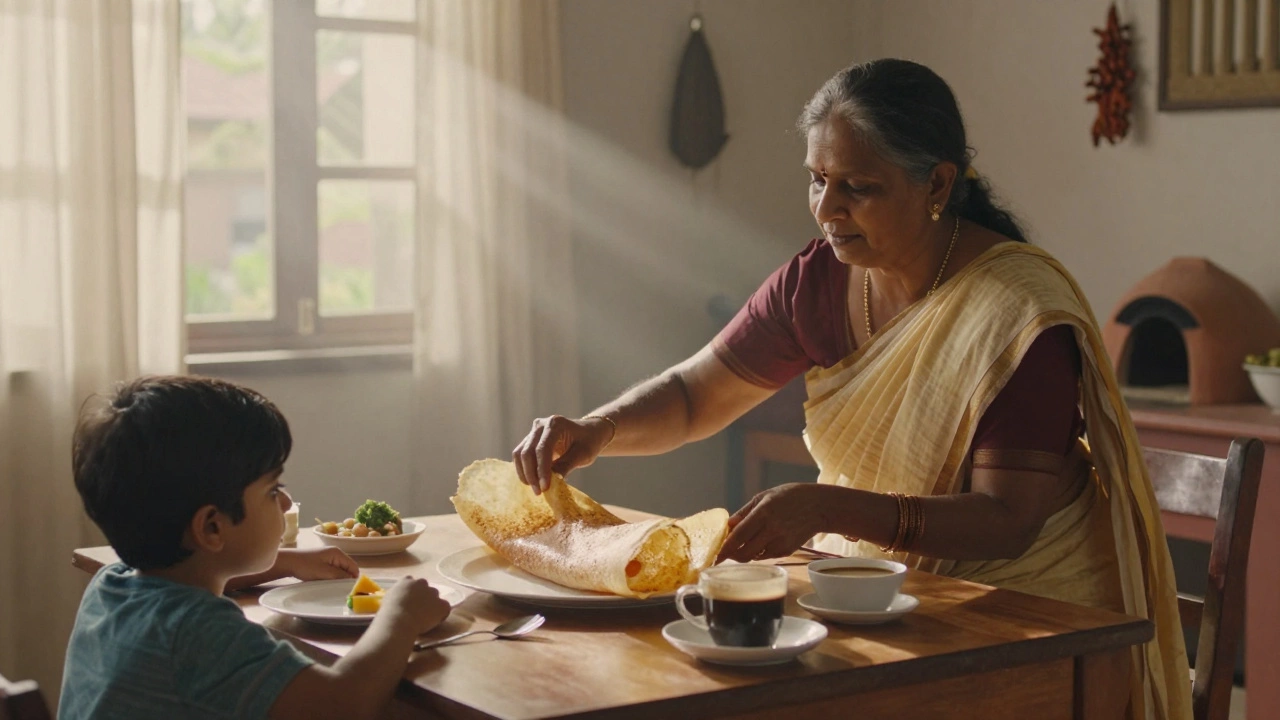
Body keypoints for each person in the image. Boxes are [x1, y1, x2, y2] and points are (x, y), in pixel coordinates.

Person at [512, 59, 1190, 718]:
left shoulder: (1017, 314)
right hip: (881, 592)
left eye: (858, 187)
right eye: (816, 180)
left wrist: (826, 506)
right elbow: (695, 397)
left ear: (937, 184)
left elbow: (1007, 523)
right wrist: (597, 428)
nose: (826, 210)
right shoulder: (817, 283)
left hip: (1033, 614)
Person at [60, 376, 451, 720]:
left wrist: (285, 563)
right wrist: (401, 618)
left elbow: (188, 572)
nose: (284, 504)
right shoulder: (199, 634)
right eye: (272, 490)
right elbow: (341, 706)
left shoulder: (112, 586)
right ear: (212, 527)